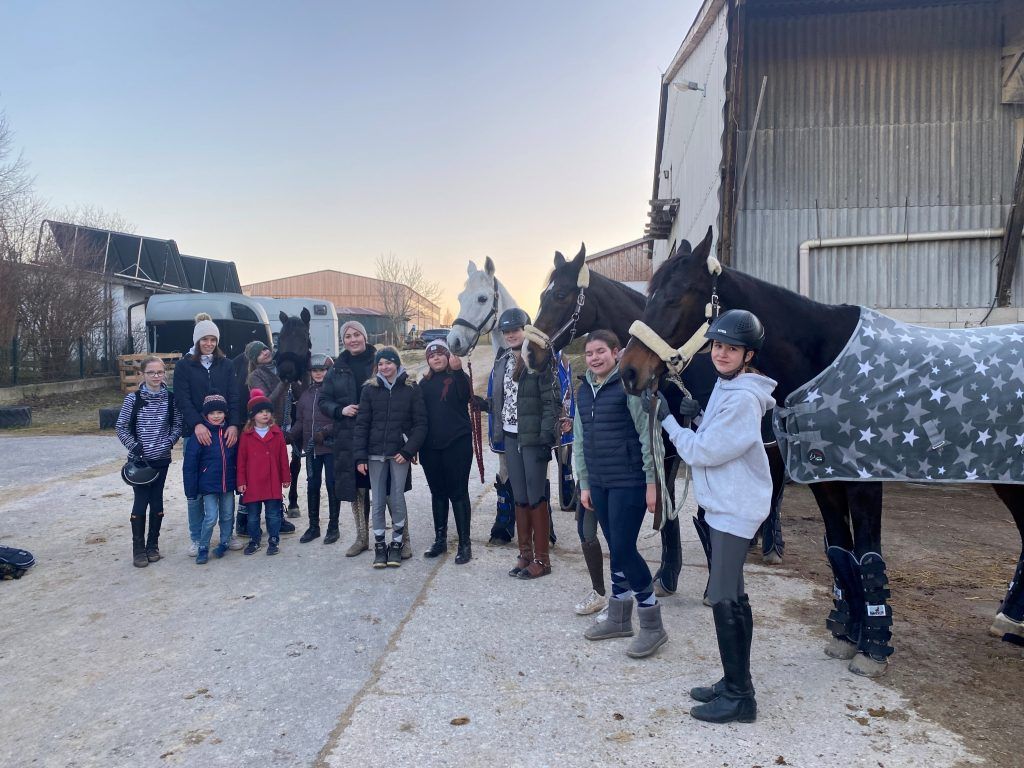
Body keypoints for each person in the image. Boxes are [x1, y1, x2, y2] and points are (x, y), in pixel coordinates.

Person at [644, 309, 776, 723]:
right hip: (725, 504)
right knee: (733, 594)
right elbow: (714, 436)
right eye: (717, 345)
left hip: (735, 508)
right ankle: (735, 682)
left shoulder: (741, 398)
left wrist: (667, 418)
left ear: (748, 355)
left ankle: (740, 695)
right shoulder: (728, 386)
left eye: (731, 348)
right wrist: (697, 414)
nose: (721, 353)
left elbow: (702, 452)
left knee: (722, 595)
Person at [573, 331, 666, 656]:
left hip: (629, 481)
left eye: (601, 351)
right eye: (589, 353)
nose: (595, 358)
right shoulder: (584, 391)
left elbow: (647, 434)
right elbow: (580, 441)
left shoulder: (628, 386)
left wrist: (652, 482)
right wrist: (584, 483)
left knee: (625, 551)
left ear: (616, 353)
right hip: (599, 482)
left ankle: (652, 623)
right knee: (616, 547)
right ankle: (619, 617)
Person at [487, 307, 561, 580]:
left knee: (535, 495)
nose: (510, 335)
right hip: (510, 434)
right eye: (506, 331)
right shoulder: (503, 360)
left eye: (515, 330)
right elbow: (503, 398)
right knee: (518, 495)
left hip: (533, 438)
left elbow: (551, 400)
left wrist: (546, 437)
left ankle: (543, 558)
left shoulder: (540, 358)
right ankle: (525, 554)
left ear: (526, 330)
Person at [173, 313, 242, 556]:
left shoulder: (227, 365)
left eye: (213, 339)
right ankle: (196, 537)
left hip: (224, 433)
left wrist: (234, 425)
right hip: (197, 433)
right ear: (197, 341)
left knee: (224, 484)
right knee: (196, 488)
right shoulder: (184, 366)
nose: (209, 343)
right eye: (205, 339)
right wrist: (197, 425)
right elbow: (181, 399)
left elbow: (234, 397)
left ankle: (227, 534)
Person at [353, 346, 427, 569]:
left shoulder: (410, 389)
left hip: (399, 454)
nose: (385, 367)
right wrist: (360, 457)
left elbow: (421, 424)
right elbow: (362, 424)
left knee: (397, 498)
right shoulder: (369, 390)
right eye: (381, 364)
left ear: (397, 363)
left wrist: (408, 450)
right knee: (377, 500)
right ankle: (379, 545)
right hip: (374, 454)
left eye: (389, 362)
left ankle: (396, 544)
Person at [115, 355, 183, 568]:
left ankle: (153, 545)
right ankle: (138, 549)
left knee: (157, 501)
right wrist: (135, 447)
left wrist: (169, 442)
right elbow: (121, 427)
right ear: (142, 375)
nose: (156, 376)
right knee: (140, 501)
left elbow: (177, 425)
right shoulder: (132, 399)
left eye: (160, 372)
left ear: (165, 374)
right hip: (140, 461)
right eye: (151, 372)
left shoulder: (171, 399)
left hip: (161, 459)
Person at [320, 320, 375, 554]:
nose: (353, 339)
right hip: (349, 436)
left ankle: (401, 539)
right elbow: (324, 401)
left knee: (388, 488)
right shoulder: (337, 369)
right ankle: (362, 538)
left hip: (379, 433)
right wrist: (340, 410)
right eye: (347, 336)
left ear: (364, 336)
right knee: (358, 488)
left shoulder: (379, 360)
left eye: (356, 334)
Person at [418, 339, 474, 564]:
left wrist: (459, 371)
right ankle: (440, 539)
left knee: (458, 493)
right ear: (428, 360)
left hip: (457, 444)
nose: (436, 358)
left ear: (448, 356)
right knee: (437, 493)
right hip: (431, 448)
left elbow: (465, 396)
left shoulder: (459, 377)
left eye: (440, 354)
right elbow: (418, 417)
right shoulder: (423, 385)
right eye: (432, 356)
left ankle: (464, 543)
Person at [245, 340, 301, 531]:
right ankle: (252, 517)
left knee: (278, 468)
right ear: (255, 359)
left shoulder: (280, 366)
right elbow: (265, 401)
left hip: (286, 421)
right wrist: (284, 382)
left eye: (265, 348)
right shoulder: (255, 376)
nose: (265, 353)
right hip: (268, 424)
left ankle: (277, 514)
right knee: (266, 471)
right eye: (260, 352)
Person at [182, 393, 237, 564]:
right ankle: (203, 546)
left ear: (225, 413)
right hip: (208, 486)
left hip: (227, 483)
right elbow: (190, 465)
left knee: (228, 515)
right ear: (205, 415)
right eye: (212, 413)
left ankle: (225, 541)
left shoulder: (230, 434)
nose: (216, 416)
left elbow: (238, 459)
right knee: (211, 517)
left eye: (219, 412)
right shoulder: (199, 436)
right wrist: (191, 489)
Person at [237, 389, 291, 556]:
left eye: (267, 411)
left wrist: (286, 477)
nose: (265, 414)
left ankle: (273, 539)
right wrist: (241, 481)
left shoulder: (276, 433)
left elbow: (283, 457)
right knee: (253, 516)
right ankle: (254, 540)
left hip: (272, 480)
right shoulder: (246, 436)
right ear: (253, 415)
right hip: (253, 482)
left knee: (273, 514)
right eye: (260, 411)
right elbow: (241, 461)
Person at [289, 354, 337, 543]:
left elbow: (340, 419)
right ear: (310, 373)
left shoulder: (334, 393)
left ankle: (333, 526)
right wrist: (291, 434)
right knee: (312, 485)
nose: (318, 373)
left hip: (330, 447)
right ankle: (313, 526)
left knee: (332, 485)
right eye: (315, 370)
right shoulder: (305, 395)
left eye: (322, 370)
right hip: (311, 449)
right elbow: (301, 421)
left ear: (328, 371)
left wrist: (325, 432)